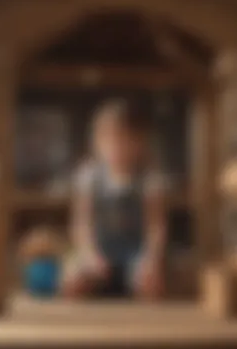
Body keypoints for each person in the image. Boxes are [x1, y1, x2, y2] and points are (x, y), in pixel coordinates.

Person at [62, 98, 168, 300]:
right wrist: (89, 255)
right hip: (99, 254)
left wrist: (150, 258)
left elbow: (156, 227)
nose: (116, 147)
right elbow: (81, 224)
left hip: (135, 255)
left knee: (150, 281)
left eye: (124, 139)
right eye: (109, 140)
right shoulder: (88, 177)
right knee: (72, 278)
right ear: (97, 142)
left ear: (138, 142)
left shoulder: (149, 178)